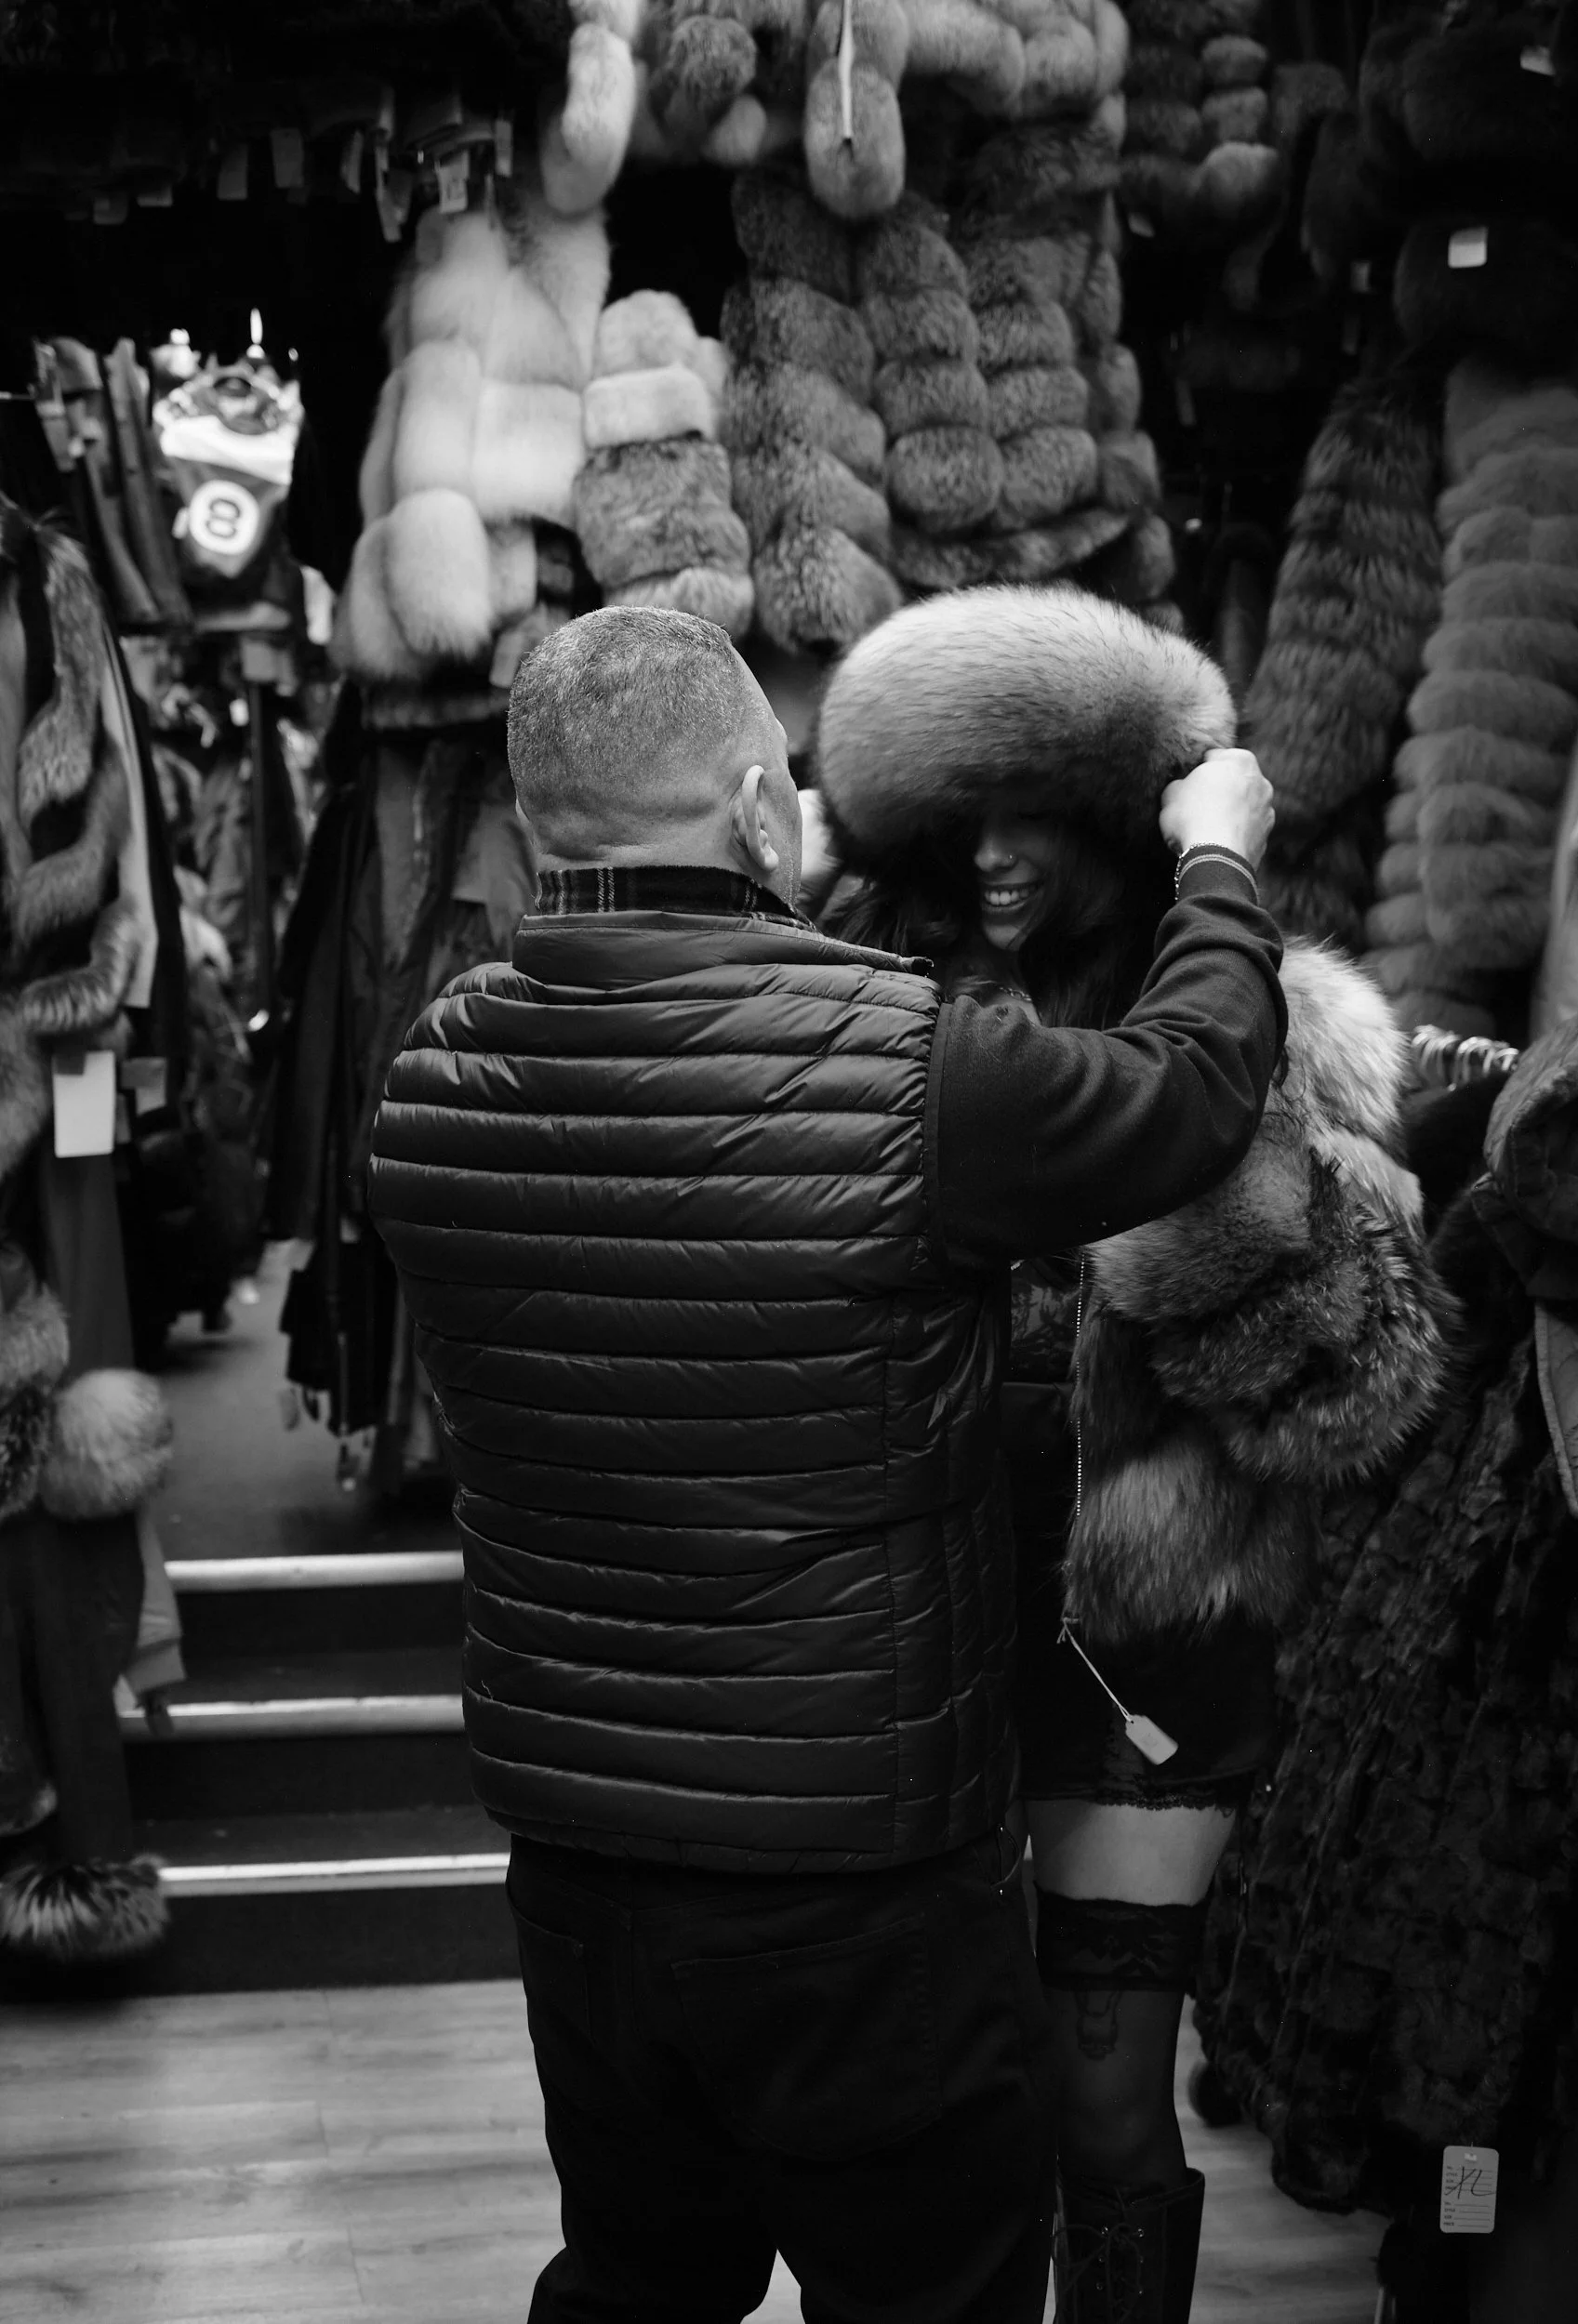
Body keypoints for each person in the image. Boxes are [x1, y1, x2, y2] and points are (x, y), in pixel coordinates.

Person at [367, 596, 1282, 2324]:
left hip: (581, 1870)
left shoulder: (427, 1084)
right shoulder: (906, 1062)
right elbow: (1192, 1090)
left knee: (639, 2278)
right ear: (754, 807)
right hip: (855, 1883)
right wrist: (1218, 863)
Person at [811, 584, 1444, 2320]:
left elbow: (1355, 1402)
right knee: (947, 2110)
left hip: (1135, 1657)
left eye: (1040, 810)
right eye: (964, 814)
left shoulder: (1277, 1027)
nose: (997, 854)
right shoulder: (868, 1012)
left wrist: (1195, 1229)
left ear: (1122, 817)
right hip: (902, 1642)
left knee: (1099, 2102)